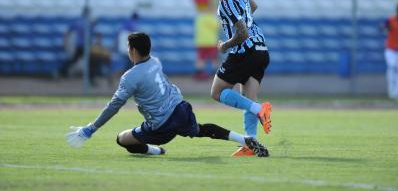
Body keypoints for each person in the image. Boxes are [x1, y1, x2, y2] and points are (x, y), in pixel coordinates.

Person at [65, 32, 269, 157]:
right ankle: (245, 139)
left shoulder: (129, 77)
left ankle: (156, 150)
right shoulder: (155, 61)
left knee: (121, 139)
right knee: (200, 129)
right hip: (181, 108)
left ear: (133, 51)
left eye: (129, 48)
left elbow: (113, 107)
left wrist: (90, 129)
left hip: (161, 125)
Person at [207, 0, 271, 157]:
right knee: (248, 97)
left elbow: (242, 33)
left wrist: (224, 45)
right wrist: (245, 22)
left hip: (244, 52)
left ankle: (259, 109)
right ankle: (250, 144)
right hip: (261, 49)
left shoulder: (226, 1)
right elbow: (253, 5)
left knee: (217, 93)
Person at [193, 0, 220, 80]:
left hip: (200, 42)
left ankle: (199, 72)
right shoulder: (211, 17)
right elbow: (217, 27)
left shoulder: (199, 17)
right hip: (211, 42)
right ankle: (215, 73)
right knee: (214, 58)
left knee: (201, 58)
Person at [383, 3, 398, 101]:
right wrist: (385, 27)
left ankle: (396, 93)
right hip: (391, 49)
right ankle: (391, 91)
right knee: (392, 67)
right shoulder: (391, 20)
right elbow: (383, 27)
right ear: (396, 10)